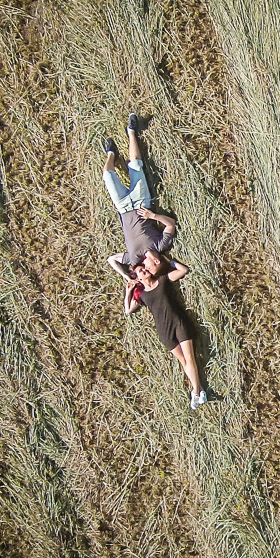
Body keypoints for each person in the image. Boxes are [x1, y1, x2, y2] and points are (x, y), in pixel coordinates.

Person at [114, 250, 208, 411]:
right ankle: (199, 391)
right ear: (138, 278)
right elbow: (128, 310)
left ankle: (196, 391)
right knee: (183, 361)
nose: (145, 270)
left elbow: (183, 270)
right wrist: (128, 291)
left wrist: (168, 262)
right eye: (141, 271)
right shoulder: (142, 295)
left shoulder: (163, 280)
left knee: (190, 358)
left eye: (144, 268)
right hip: (164, 331)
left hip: (179, 323)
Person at [102, 114, 176, 276]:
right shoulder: (160, 246)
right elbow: (171, 224)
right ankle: (131, 131)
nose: (146, 269)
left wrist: (127, 276)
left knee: (107, 174)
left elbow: (111, 260)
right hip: (142, 201)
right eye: (151, 268)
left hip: (123, 206)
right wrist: (153, 215)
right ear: (157, 261)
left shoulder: (134, 259)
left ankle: (111, 154)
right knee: (135, 164)